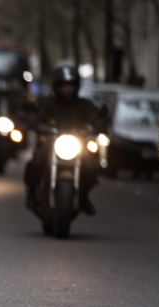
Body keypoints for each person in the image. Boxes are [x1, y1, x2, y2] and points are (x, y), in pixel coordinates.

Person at [25, 64, 107, 215]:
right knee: (36, 162)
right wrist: (35, 123)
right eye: (65, 86)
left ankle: (83, 196)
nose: (68, 89)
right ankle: (31, 194)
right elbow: (36, 115)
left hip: (77, 145)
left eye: (71, 86)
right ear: (57, 86)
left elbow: (96, 117)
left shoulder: (84, 104)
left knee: (91, 165)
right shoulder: (48, 103)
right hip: (53, 142)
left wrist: (100, 124)